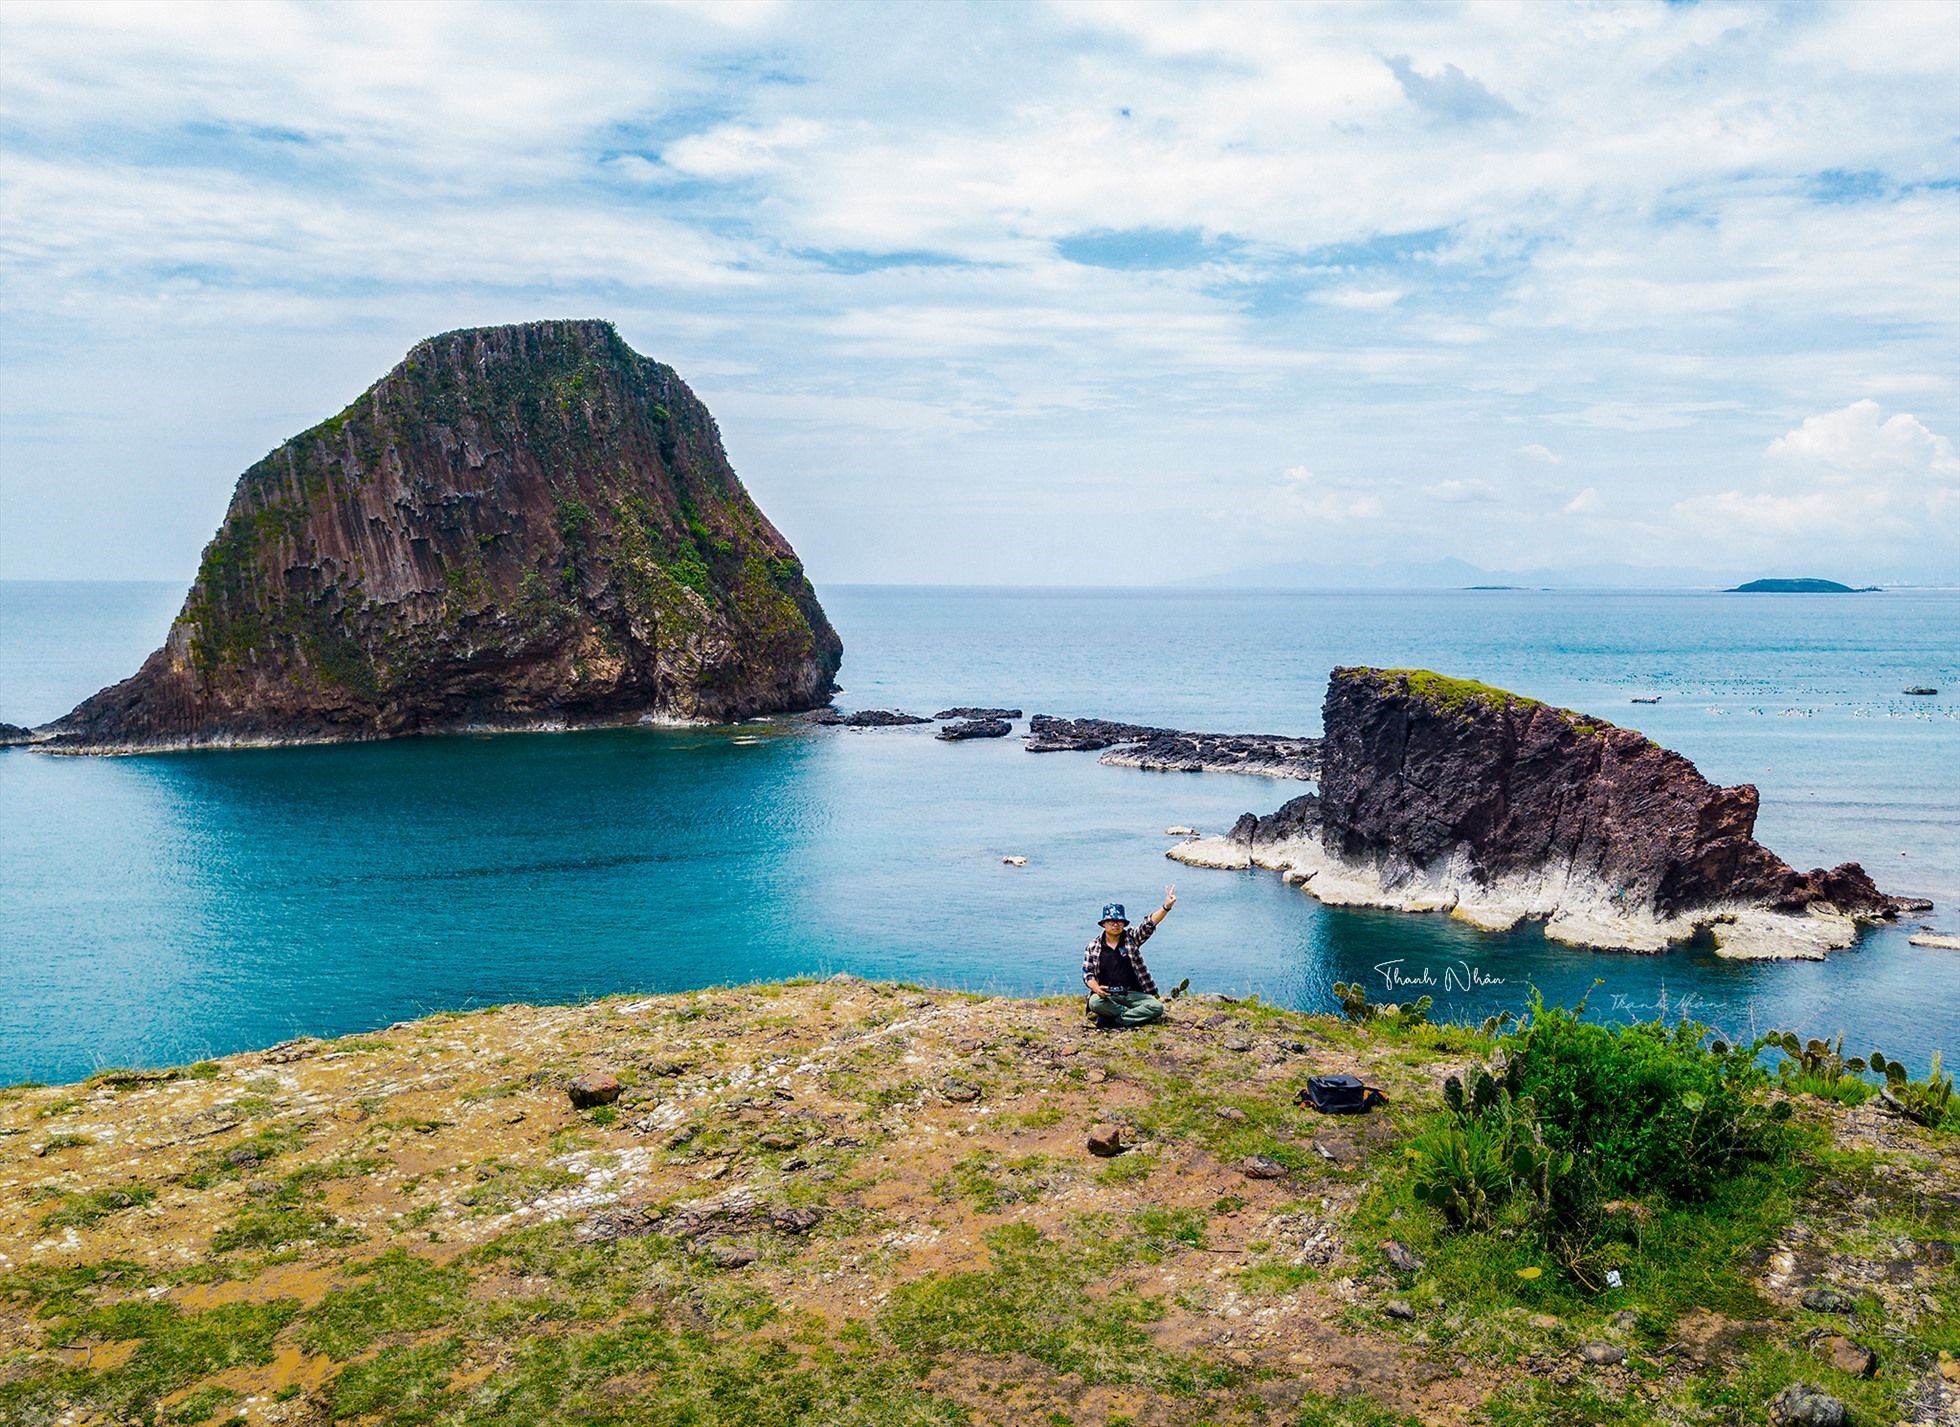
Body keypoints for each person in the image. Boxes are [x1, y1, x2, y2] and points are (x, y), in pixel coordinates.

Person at [1083, 886, 1177, 1028]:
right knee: (1094, 1002)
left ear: (1124, 924)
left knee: (1157, 1007)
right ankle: (1130, 1016)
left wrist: (1166, 907)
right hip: (1107, 995)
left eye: (1119, 921)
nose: (1116, 924)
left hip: (1133, 994)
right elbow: (1088, 974)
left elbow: (1149, 924)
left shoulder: (1131, 938)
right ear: (1104, 924)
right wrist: (1097, 989)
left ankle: (1115, 1020)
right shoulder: (1093, 946)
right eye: (1111, 921)